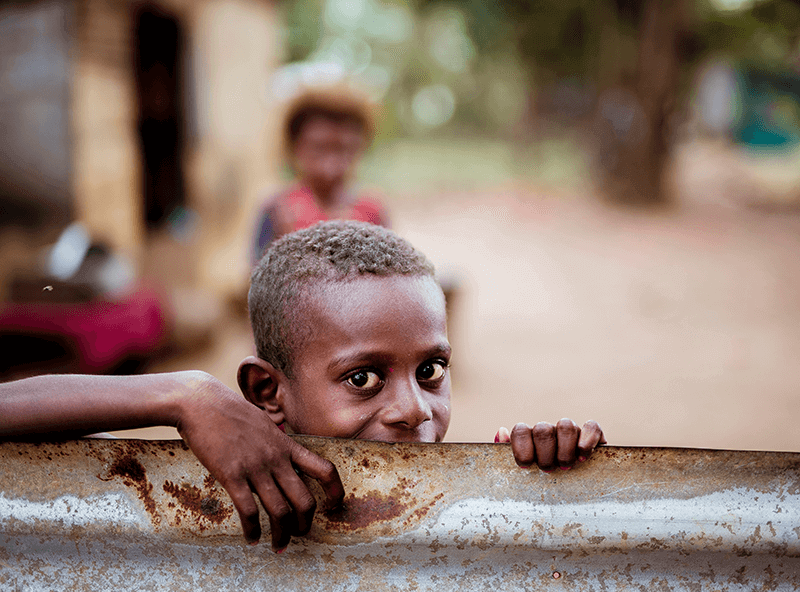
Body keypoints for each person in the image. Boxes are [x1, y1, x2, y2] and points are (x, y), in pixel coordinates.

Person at [0, 221, 605, 553]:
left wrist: (535, 484)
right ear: (267, 393)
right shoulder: (227, 477)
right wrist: (183, 395)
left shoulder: (463, 495)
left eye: (431, 371)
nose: (414, 410)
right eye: (363, 379)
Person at [252, 88, 390, 262]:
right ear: (296, 147)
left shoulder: (372, 211)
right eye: (319, 148)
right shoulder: (278, 210)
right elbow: (257, 280)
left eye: (343, 149)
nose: (330, 166)